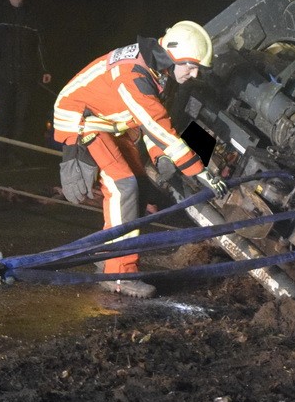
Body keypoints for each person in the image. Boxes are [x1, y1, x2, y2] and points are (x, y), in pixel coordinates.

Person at [53, 21, 227, 298]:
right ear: (173, 55)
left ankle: (108, 255)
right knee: (124, 186)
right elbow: (155, 125)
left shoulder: (155, 68)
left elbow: (152, 122)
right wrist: (199, 170)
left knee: (141, 188)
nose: (193, 75)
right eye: (191, 66)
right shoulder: (132, 75)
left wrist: (162, 159)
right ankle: (119, 275)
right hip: (83, 121)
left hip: (109, 121)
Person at [0, 0, 51, 165]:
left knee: (21, 117)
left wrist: (45, 70)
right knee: (2, 115)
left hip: (26, 77)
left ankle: (14, 154)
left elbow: (40, 47)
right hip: (4, 77)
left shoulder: (31, 18)